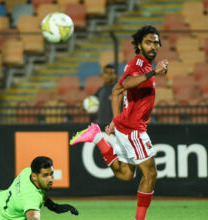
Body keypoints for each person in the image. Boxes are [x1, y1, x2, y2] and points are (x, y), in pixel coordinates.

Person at [70, 25, 168, 220]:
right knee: (150, 173)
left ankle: (98, 138)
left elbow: (116, 91)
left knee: (125, 174)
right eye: (148, 42)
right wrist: (154, 73)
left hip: (125, 125)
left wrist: (115, 120)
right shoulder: (138, 65)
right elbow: (126, 84)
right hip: (133, 128)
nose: (153, 46)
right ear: (139, 45)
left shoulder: (142, 65)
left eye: (156, 43)